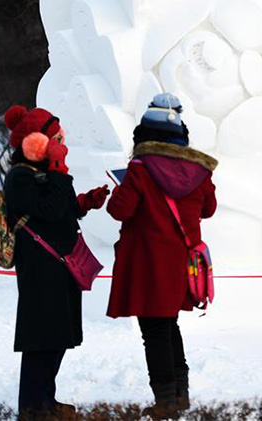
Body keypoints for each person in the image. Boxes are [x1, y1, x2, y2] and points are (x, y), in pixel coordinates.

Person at [106, 93, 218, 419]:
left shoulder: (140, 170)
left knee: (154, 332)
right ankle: (180, 395)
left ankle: (165, 401)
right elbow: (208, 209)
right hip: (183, 264)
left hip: (148, 264)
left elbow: (119, 210)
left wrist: (120, 188)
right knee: (169, 326)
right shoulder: (199, 170)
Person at [3, 105, 109, 418]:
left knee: (55, 337)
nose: (63, 143)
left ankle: (45, 400)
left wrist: (84, 202)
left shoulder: (42, 174)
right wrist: (59, 171)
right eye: (57, 138)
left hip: (57, 267)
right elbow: (47, 210)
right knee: (41, 340)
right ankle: (34, 407)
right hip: (40, 269)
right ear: (38, 143)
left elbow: (57, 210)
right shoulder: (21, 177)